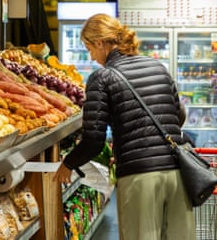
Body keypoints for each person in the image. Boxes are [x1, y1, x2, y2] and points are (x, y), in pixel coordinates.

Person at [52, 13, 195, 240]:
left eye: (89, 49)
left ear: (100, 43)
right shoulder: (157, 66)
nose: (92, 57)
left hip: (140, 178)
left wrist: (68, 164)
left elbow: (93, 140)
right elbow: (178, 114)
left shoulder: (102, 77)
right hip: (178, 173)